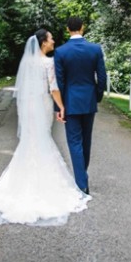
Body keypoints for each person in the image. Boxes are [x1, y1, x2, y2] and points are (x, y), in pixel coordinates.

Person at [0, 29, 91, 226]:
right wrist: (62, 106)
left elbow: (24, 88)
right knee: (43, 138)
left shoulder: (27, 62)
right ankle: (45, 185)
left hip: (30, 106)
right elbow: (54, 88)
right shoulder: (48, 62)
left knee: (30, 139)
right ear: (43, 43)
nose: (53, 41)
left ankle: (19, 184)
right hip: (42, 104)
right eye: (50, 39)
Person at [53, 17, 107, 195]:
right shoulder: (95, 49)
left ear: (68, 29)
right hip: (89, 100)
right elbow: (102, 78)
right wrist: (97, 97)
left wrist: (58, 107)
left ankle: (82, 184)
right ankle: (82, 178)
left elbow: (59, 82)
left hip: (70, 102)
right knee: (86, 140)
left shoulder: (60, 52)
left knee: (75, 142)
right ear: (82, 28)